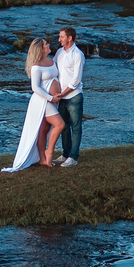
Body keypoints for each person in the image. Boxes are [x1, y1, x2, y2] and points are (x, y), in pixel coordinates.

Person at [2, 38, 66, 173]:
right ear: (40, 49)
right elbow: (35, 88)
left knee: (43, 129)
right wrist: (51, 97)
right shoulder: (36, 67)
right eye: (46, 44)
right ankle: (49, 152)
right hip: (42, 101)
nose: (49, 45)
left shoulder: (51, 61)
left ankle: (42, 159)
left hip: (53, 100)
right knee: (60, 124)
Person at [50, 26, 84, 168]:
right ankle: (65, 154)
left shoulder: (78, 54)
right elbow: (52, 68)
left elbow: (76, 80)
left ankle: (73, 157)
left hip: (74, 97)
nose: (59, 39)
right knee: (63, 126)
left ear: (69, 38)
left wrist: (62, 94)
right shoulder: (59, 52)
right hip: (61, 97)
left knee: (75, 127)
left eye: (62, 37)